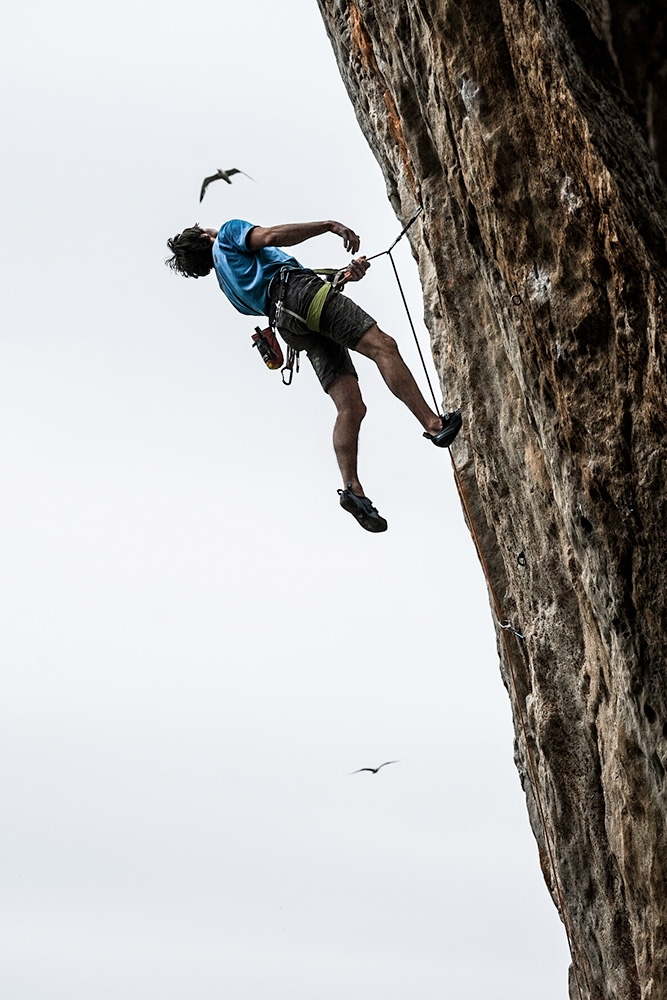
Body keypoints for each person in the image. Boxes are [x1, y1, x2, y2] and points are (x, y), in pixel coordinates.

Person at [165, 218, 461, 532]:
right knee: (382, 347)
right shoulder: (226, 235)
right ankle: (434, 424)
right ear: (202, 235)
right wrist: (328, 225)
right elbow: (272, 237)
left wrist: (342, 277)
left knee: (350, 408)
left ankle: (352, 487)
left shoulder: (229, 288)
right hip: (299, 294)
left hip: (291, 325)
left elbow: (289, 300)